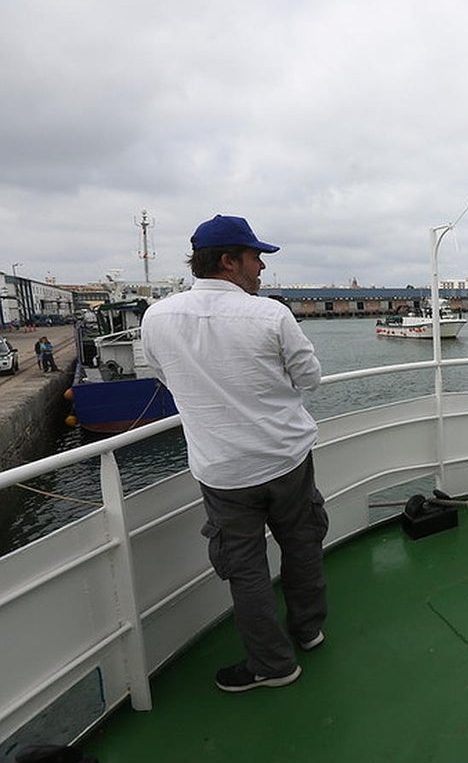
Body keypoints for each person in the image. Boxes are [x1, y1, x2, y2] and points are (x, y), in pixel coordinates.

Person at [141, 215, 327, 693]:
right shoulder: (270, 315)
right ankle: (307, 630)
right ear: (228, 261)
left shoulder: (156, 317)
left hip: (223, 471)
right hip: (287, 459)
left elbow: (165, 375)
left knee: (245, 569)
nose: (261, 267)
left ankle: (271, 664)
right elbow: (309, 378)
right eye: (254, 257)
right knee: (302, 544)